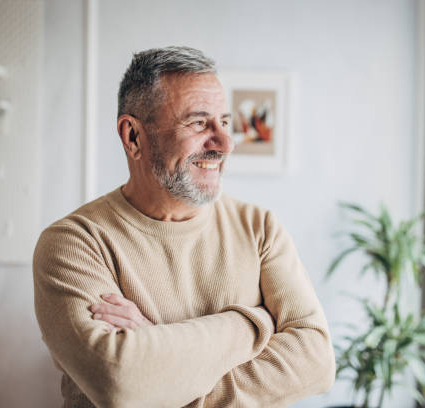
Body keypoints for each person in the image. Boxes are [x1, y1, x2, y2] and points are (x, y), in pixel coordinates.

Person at [33, 46, 335, 408]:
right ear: (133, 137)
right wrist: (254, 324)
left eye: (224, 121)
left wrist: (157, 351)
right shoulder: (73, 243)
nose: (225, 143)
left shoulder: (260, 229)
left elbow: (317, 362)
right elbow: (119, 384)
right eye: (198, 122)